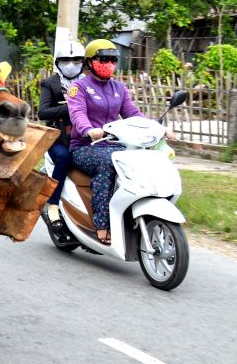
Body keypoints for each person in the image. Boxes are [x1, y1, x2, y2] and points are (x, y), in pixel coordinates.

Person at [67, 39, 171, 244]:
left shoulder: (119, 88)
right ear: (90, 62)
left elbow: (133, 114)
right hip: (85, 146)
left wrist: (158, 129)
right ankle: (102, 225)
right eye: (104, 59)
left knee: (141, 161)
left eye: (113, 60)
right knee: (108, 164)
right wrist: (88, 130)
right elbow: (77, 113)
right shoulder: (79, 87)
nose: (109, 64)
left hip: (114, 146)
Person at [39, 39, 85, 225]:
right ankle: (53, 203)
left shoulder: (89, 83)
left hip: (85, 137)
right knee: (64, 157)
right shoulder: (50, 83)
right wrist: (71, 107)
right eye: (66, 60)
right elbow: (43, 112)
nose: (71, 65)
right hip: (59, 139)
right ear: (57, 62)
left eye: (76, 60)